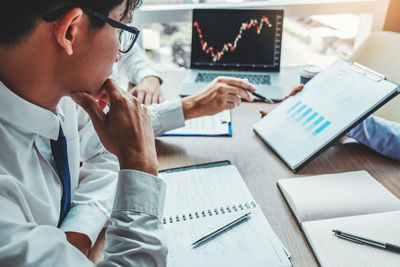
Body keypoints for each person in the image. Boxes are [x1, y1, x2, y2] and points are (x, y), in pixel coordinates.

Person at [0, 0, 256, 265]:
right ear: (70, 31)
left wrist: (77, 231)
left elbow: (107, 145)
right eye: (121, 29)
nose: (118, 56)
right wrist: (140, 166)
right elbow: (120, 148)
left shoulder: (58, 92)